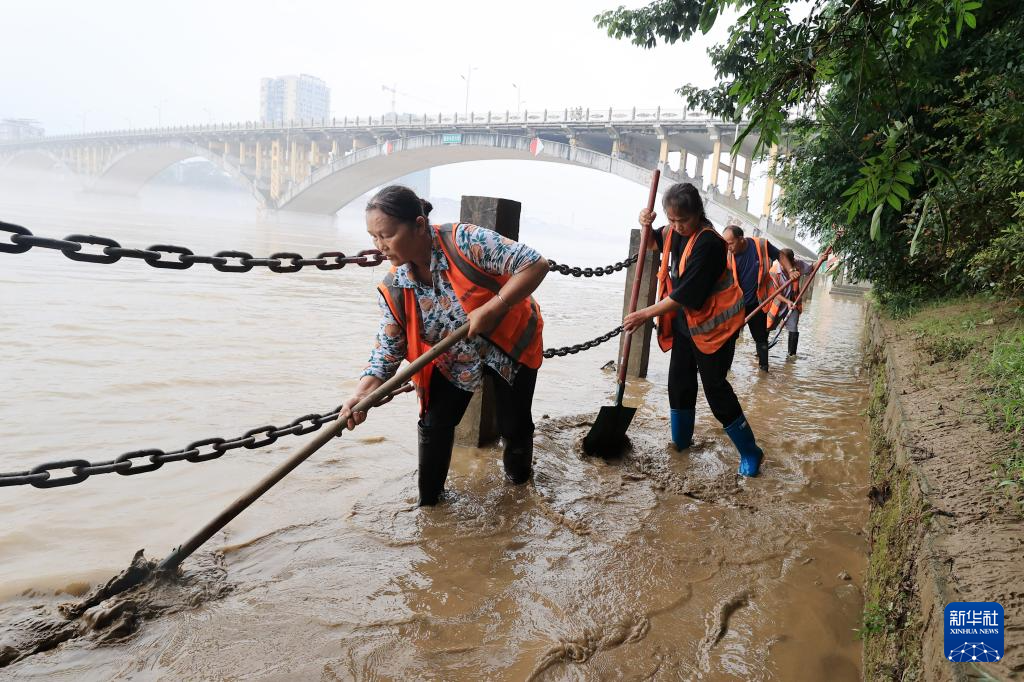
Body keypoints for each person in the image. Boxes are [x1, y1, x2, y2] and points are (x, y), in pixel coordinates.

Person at [340, 185, 550, 505]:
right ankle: (430, 506)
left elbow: (535, 264)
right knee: (435, 423)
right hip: (457, 357)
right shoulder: (395, 286)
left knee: (514, 423)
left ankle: (518, 492)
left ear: (419, 225)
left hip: (510, 343)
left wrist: (494, 308)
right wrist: (363, 392)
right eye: (373, 237)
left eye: (387, 235)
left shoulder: (464, 241)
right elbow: (388, 348)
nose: (380, 246)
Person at [623, 182, 766, 477]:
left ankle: (751, 452)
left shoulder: (710, 244)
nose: (677, 227)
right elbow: (653, 244)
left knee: (715, 390)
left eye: (683, 220)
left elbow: (686, 294)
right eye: (671, 219)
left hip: (716, 329)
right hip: (687, 326)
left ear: (698, 213)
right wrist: (645, 224)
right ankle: (681, 445)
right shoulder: (674, 233)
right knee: (679, 384)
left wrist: (644, 314)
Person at [722, 225, 798, 372]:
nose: (728, 247)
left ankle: (764, 371)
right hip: (736, 304)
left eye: (731, 243)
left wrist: (791, 269)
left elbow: (781, 255)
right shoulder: (724, 252)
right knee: (730, 339)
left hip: (757, 303)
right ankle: (726, 370)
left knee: (761, 339)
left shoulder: (760, 245)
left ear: (741, 239)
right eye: (726, 243)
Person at [766, 248, 812, 357]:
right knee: (767, 326)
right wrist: (786, 301)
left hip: (794, 301)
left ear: (792, 261)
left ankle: (791, 356)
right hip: (777, 303)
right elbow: (774, 293)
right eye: (782, 264)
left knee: (793, 328)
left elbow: (812, 269)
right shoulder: (773, 271)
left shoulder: (798, 265)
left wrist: (822, 259)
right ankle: (761, 350)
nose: (784, 266)